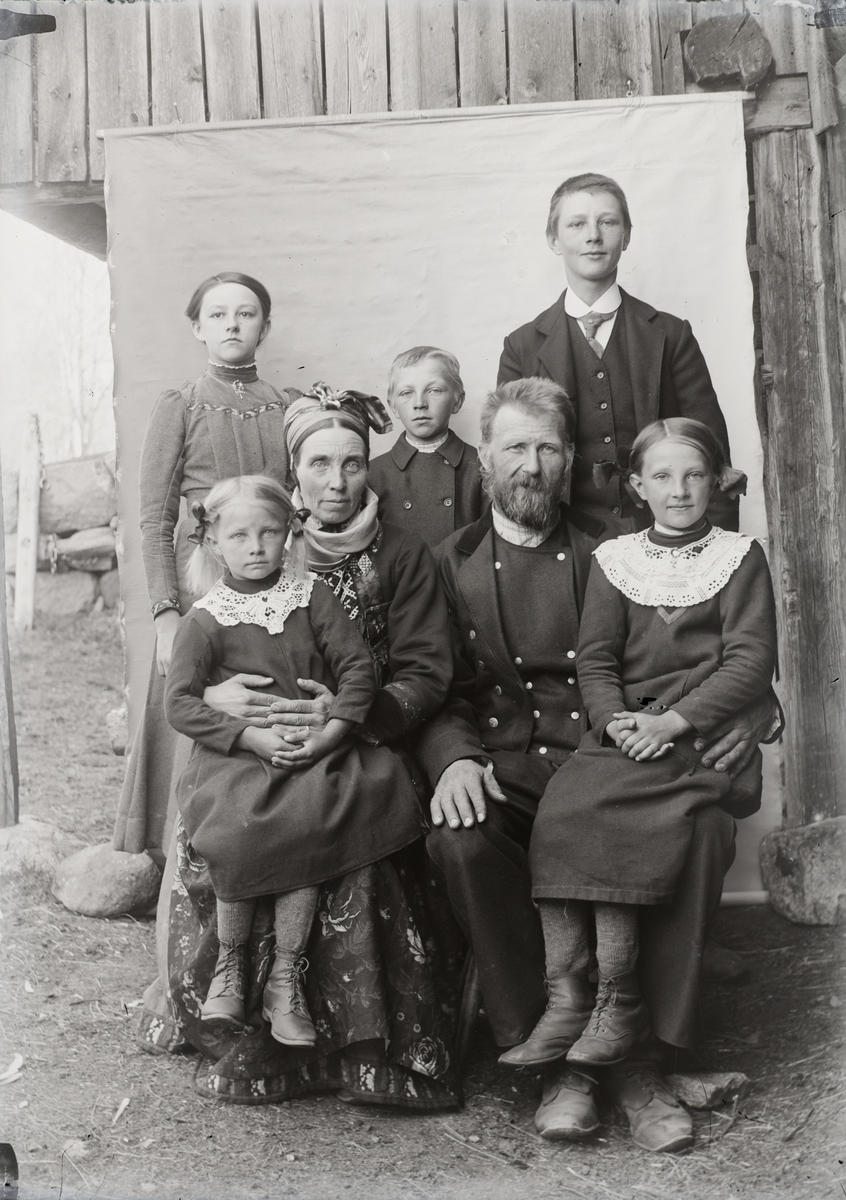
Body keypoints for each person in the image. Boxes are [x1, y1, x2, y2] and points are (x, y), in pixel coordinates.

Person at [417, 378, 778, 1151]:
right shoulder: (452, 561)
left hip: (617, 753)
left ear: (570, 457)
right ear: (485, 460)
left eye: (548, 447)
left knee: (705, 827)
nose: (532, 464)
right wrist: (452, 760)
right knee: (461, 838)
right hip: (513, 760)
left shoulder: (616, 545)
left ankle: (642, 1060)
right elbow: (439, 686)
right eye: (515, 447)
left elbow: (713, 644)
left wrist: (753, 714)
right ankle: (557, 1055)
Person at [137, 384, 461, 1110]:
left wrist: (344, 722)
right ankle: (239, 996)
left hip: (358, 734)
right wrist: (227, 705)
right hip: (245, 749)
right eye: (319, 463)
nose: (336, 480)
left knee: (351, 823)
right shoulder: (248, 564)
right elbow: (188, 689)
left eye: (352, 463)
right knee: (234, 822)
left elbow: (409, 670)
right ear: (294, 477)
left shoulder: (397, 556)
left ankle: (349, 1038)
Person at [503, 418, 775, 1075]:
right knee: (565, 811)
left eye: (693, 475)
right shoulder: (616, 559)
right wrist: (616, 721)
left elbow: (748, 662)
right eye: (661, 476)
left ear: (716, 481)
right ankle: (567, 996)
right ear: (636, 485)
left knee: (623, 819)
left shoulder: (739, 558)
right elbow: (595, 659)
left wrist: (672, 723)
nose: (679, 490)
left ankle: (619, 999)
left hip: (701, 739)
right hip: (626, 734)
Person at [164, 474, 421, 1045]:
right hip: (237, 759)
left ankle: (287, 974)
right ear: (213, 543)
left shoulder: (312, 598)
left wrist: (331, 734)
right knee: (235, 828)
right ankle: (231, 968)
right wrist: (246, 738)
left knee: (308, 819)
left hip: (312, 751)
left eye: (268, 533)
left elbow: (359, 670)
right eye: (239, 536)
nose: (255, 547)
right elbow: (178, 703)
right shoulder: (205, 619)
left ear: (290, 535)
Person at [113, 272, 299, 863]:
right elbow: (153, 519)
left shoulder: (286, 407)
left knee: (262, 705)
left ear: (264, 327)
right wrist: (167, 616)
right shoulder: (182, 406)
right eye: (218, 315)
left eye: (246, 315)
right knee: (202, 707)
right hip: (200, 592)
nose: (232, 325)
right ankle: (178, 861)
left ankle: (260, 845)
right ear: (197, 327)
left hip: (272, 583)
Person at [497, 173, 737, 532]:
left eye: (607, 222)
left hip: (662, 537)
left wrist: (713, 547)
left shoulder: (671, 335)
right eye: (577, 224)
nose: (593, 235)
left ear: (626, 236)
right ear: (554, 239)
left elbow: (712, 453)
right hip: (562, 544)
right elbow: (510, 463)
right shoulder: (522, 347)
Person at [369, 346, 484, 547]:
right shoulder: (374, 474)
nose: (420, 403)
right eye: (406, 393)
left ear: (457, 400)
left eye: (434, 390)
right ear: (392, 404)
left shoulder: (481, 468)